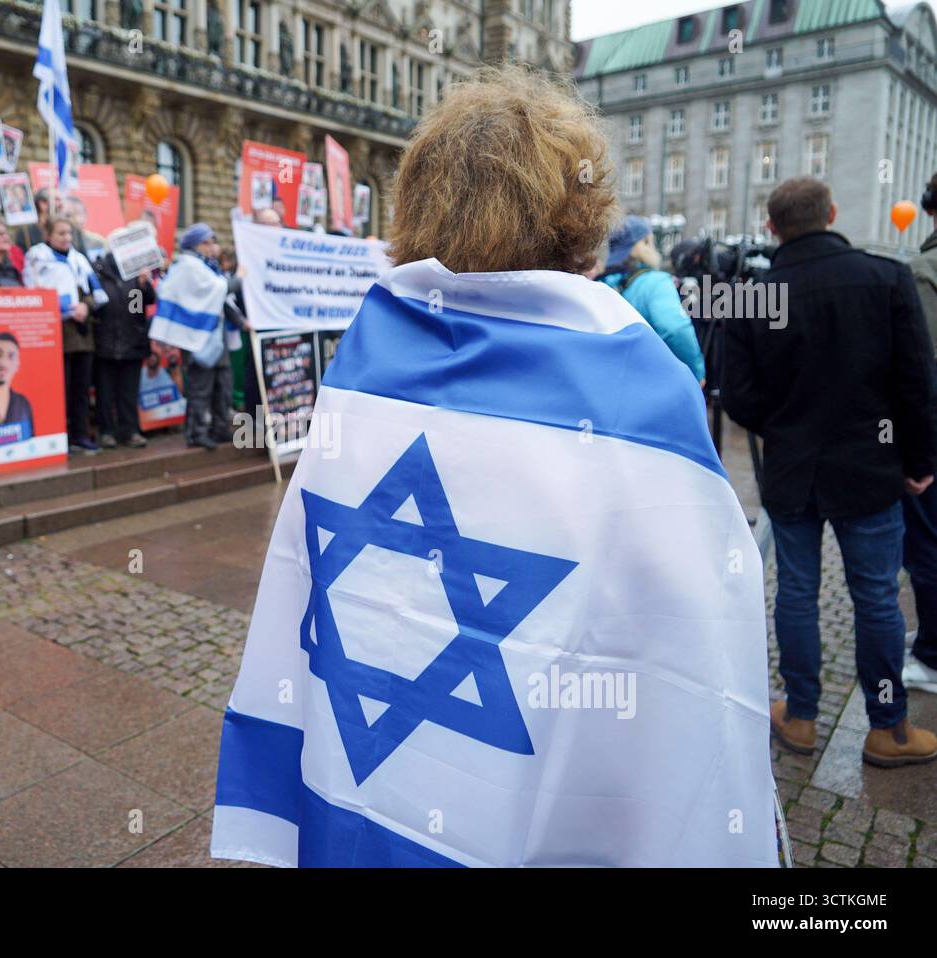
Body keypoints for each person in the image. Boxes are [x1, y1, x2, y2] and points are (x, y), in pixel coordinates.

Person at [210, 65, 777, 868]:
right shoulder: (637, 389)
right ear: (579, 222)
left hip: (366, 786)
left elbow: (321, 581)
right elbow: (690, 651)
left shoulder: (366, 364)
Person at [724, 176, 937, 767]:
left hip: (794, 467)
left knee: (795, 592)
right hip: (870, 467)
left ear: (772, 228)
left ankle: (799, 715)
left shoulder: (753, 295)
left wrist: (785, 424)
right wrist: (920, 462)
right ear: (833, 214)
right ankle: (889, 728)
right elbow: (917, 383)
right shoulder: (886, 277)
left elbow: (737, 397)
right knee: (875, 597)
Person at [900, 171, 937, 695]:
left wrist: (915, 458)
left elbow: (919, 372)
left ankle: (931, 655)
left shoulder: (924, 272)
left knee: (928, 543)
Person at [23, 215, 103, 454]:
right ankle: (60, 436)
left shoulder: (79, 260)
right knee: (61, 388)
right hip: (56, 334)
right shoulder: (38, 257)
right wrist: (62, 309)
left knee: (80, 388)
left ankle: (80, 434)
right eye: (61, 233)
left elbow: (94, 291)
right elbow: (33, 291)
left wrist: (85, 306)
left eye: (69, 233)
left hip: (82, 333)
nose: (66, 238)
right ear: (48, 235)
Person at [161, 223, 245, 450]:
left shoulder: (206, 266)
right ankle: (196, 431)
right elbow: (220, 290)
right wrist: (238, 278)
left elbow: (218, 300)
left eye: (212, 242)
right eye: (206, 243)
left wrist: (239, 321)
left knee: (223, 383)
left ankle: (219, 427)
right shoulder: (187, 266)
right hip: (197, 337)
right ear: (194, 244)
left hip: (215, 335)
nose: (211, 247)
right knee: (201, 386)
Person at [599, 216, 706, 384]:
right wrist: (696, 373)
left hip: (607, 382)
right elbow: (675, 330)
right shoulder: (655, 282)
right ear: (645, 243)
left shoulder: (599, 284)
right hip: (646, 383)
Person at [94, 247, 156, 448]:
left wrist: (142, 286)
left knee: (129, 392)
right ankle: (106, 431)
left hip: (132, 343)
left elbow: (138, 308)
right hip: (105, 344)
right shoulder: (98, 273)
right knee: (105, 393)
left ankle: (129, 430)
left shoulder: (136, 275)